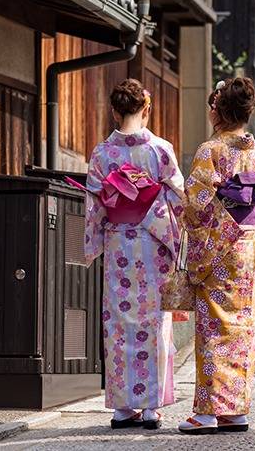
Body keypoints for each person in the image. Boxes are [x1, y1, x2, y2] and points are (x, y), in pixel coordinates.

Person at [178, 77, 255, 435]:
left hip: (219, 248)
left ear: (218, 111)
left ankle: (207, 412)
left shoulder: (211, 151)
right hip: (250, 246)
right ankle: (236, 410)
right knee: (243, 327)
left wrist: (191, 214)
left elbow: (195, 203)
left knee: (213, 327)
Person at [84, 79, 184, 431]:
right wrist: (158, 218)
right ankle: (152, 407)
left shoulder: (102, 154)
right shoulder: (160, 150)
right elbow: (177, 197)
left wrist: (93, 243)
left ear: (114, 111)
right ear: (146, 109)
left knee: (119, 324)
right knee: (154, 323)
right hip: (152, 245)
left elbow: (95, 205)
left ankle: (123, 408)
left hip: (118, 247)